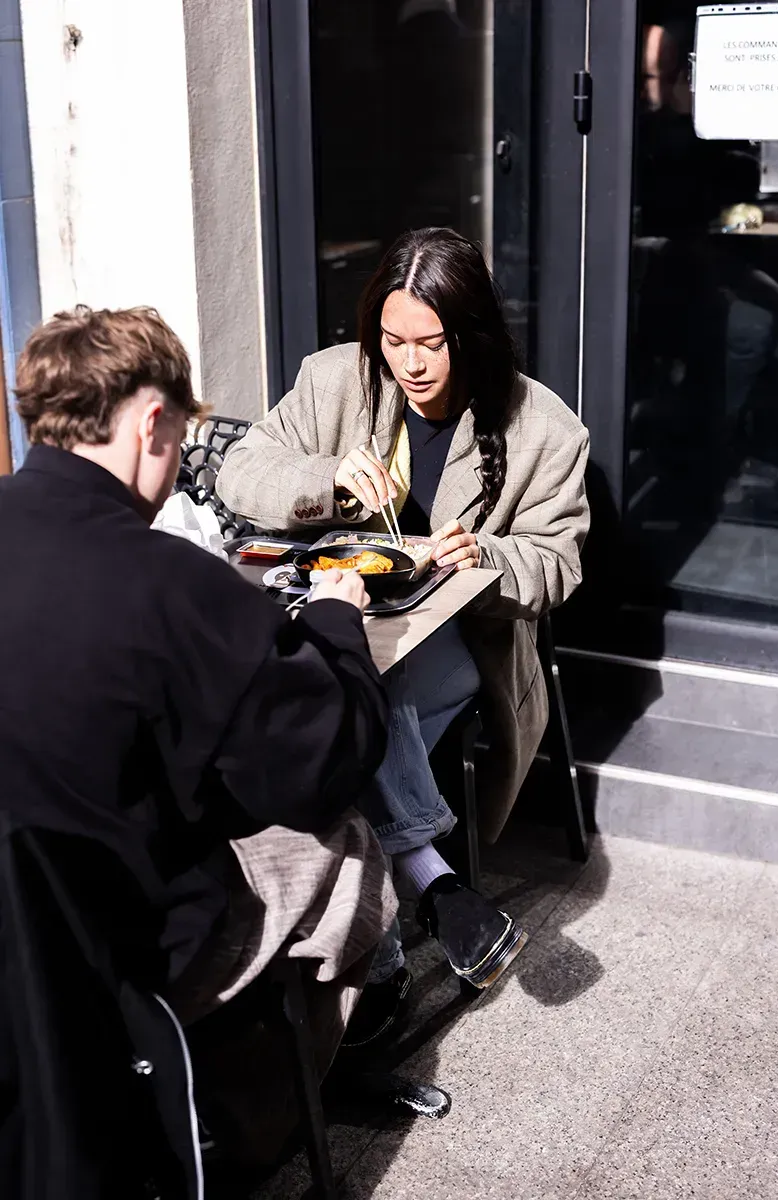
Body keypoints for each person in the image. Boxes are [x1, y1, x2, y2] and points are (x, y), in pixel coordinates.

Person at [0, 305, 400, 1188]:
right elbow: (324, 765)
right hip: (113, 953)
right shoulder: (173, 584)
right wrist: (337, 617)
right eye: (182, 432)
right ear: (152, 421)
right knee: (344, 851)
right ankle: (246, 1121)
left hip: (26, 927)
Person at [217, 226, 590, 1039]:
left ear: (473, 335)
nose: (410, 364)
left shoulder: (544, 429)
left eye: (431, 344)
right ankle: (428, 888)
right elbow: (242, 469)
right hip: (351, 617)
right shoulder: (335, 380)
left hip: (467, 647)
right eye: (393, 342)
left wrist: (483, 556)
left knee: (352, 696)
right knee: (350, 686)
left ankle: (376, 966)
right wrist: (329, 485)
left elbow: (557, 566)